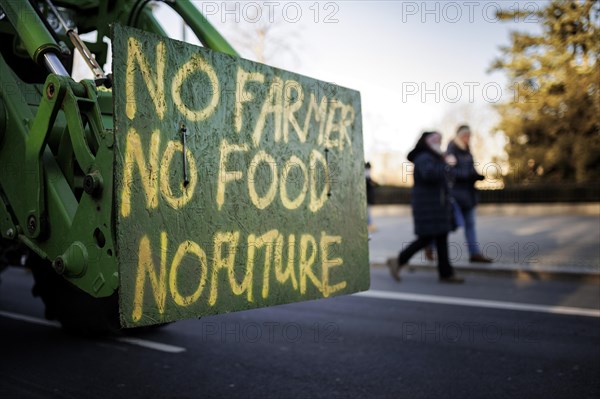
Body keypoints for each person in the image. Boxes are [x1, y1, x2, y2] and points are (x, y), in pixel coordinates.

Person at [387, 131, 464, 283]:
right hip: (428, 207)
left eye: (439, 139)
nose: (438, 141)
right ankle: (399, 260)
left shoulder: (434, 157)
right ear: (424, 141)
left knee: (440, 237)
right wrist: (445, 164)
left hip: (436, 206)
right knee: (427, 238)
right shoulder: (423, 156)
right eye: (434, 138)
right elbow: (429, 174)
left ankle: (446, 273)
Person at [447, 125, 492, 263]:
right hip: (456, 195)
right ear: (459, 136)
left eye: (469, 135)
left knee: (470, 224)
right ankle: (430, 246)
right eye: (465, 135)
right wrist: (468, 175)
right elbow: (450, 171)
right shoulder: (451, 150)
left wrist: (477, 176)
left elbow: (471, 169)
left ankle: (474, 253)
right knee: (449, 224)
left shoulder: (468, 151)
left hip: (469, 195)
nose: (468, 138)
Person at [365, 162, 378, 233]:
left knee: (368, 211)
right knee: (367, 212)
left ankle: (369, 224)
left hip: (368, 198)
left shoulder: (368, 177)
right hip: (366, 198)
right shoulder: (366, 177)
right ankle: (369, 225)